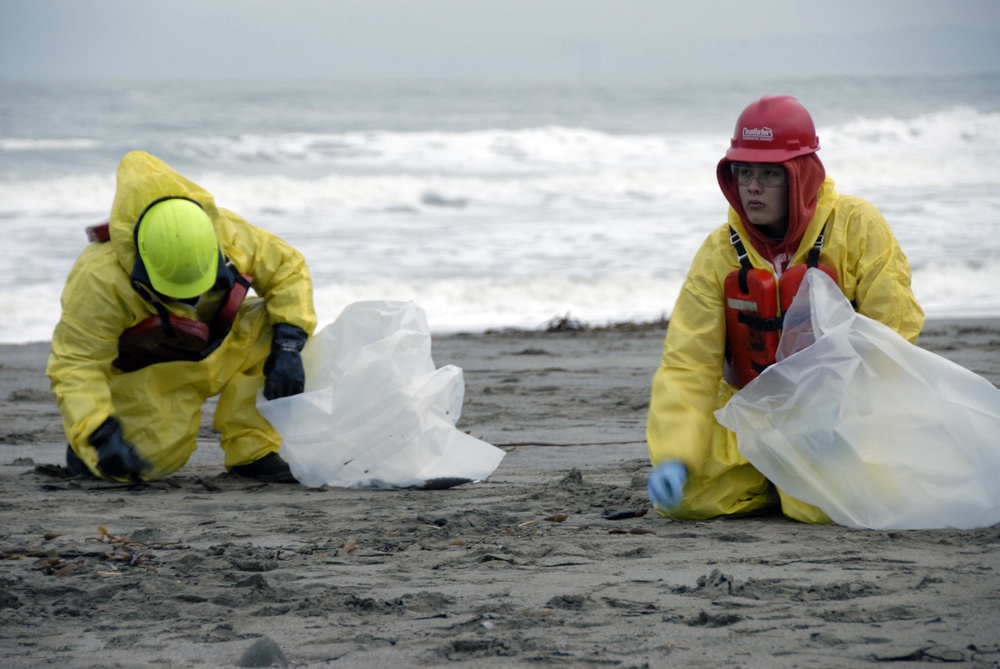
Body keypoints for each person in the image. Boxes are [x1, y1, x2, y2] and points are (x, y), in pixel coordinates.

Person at [645, 95, 924, 523]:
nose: (752, 187)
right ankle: (769, 476)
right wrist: (675, 454)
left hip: (838, 414)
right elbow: (688, 362)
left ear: (801, 175)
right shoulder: (719, 251)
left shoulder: (856, 226)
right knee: (688, 500)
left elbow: (893, 338)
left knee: (817, 509)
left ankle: (792, 481)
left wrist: (846, 418)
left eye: (769, 174)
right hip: (751, 411)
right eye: (744, 172)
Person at [47, 150, 317, 483]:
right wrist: (97, 432)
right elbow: (78, 363)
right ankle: (86, 450)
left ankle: (253, 451)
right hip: (153, 370)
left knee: (277, 323)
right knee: (145, 463)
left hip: (218, 344)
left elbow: (288, 269)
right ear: (140, 260)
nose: (189, 297)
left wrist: (288, 347)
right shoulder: (99, 279)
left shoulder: (226, 231)